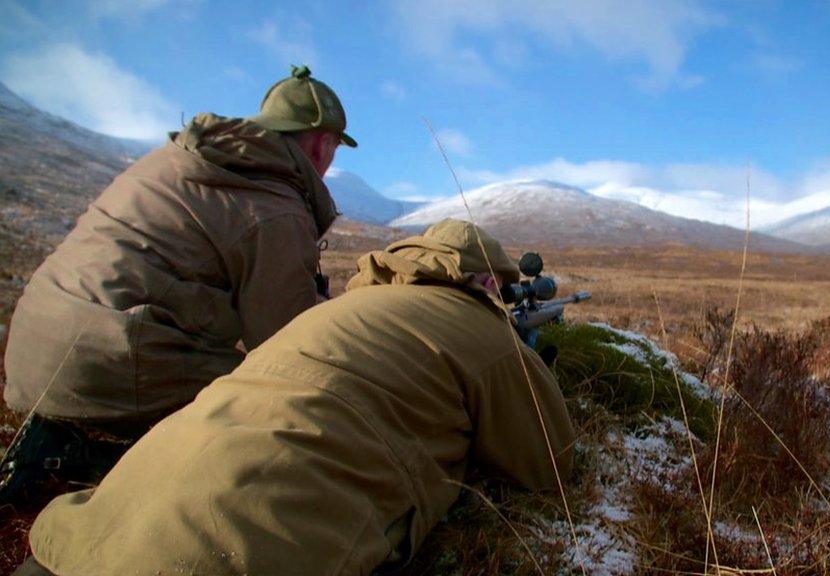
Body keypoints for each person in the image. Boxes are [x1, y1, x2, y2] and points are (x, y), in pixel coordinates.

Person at [15, 219, 576, 576]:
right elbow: (548, 465)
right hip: (248, 548)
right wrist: (524, 361)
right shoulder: (477, 326)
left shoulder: (335, 310)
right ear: (486, 284)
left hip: (99, 521)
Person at [0, 65, 357, 502]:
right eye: (335, 148)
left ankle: (75, 442)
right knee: (276, 415)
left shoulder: (176, 159)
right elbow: (287, 348)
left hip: (33, 348)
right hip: (107, 362)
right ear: (322, 145)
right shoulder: (275, 207)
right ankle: (95, 463)